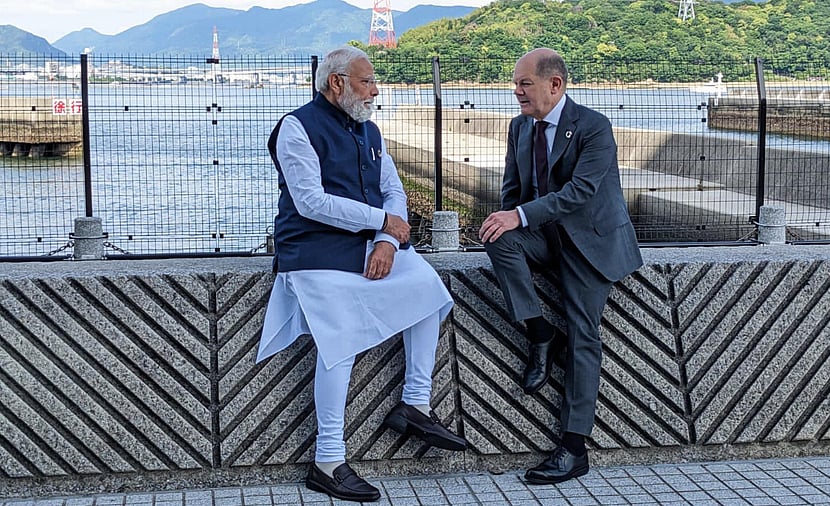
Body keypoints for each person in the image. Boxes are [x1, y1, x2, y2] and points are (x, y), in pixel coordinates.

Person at [257, 46, 467, 503]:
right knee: (340, 336)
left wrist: (389, 240)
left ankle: (415, 404)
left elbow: (393, 190)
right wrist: (381, 223)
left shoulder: (370, 130)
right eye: (367, 81)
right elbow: (311, 201)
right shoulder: (296, 128)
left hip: (371, 245)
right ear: (337, 83)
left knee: (427, 288)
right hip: (312, 250)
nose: (375, 91)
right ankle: (328, 460)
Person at [479, 48, 643, 485]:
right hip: (545, 236)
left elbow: (579, 192)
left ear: (555, 85)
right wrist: (508, 217)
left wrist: (520, 216)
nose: (517, 92)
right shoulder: (519, 126)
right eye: (515, 84)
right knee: (498, 238)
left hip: (590, 241)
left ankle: (574, 448)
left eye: (524, 84)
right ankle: (540, 333)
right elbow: (512, 189)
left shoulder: (593, 127)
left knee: (583, 333)